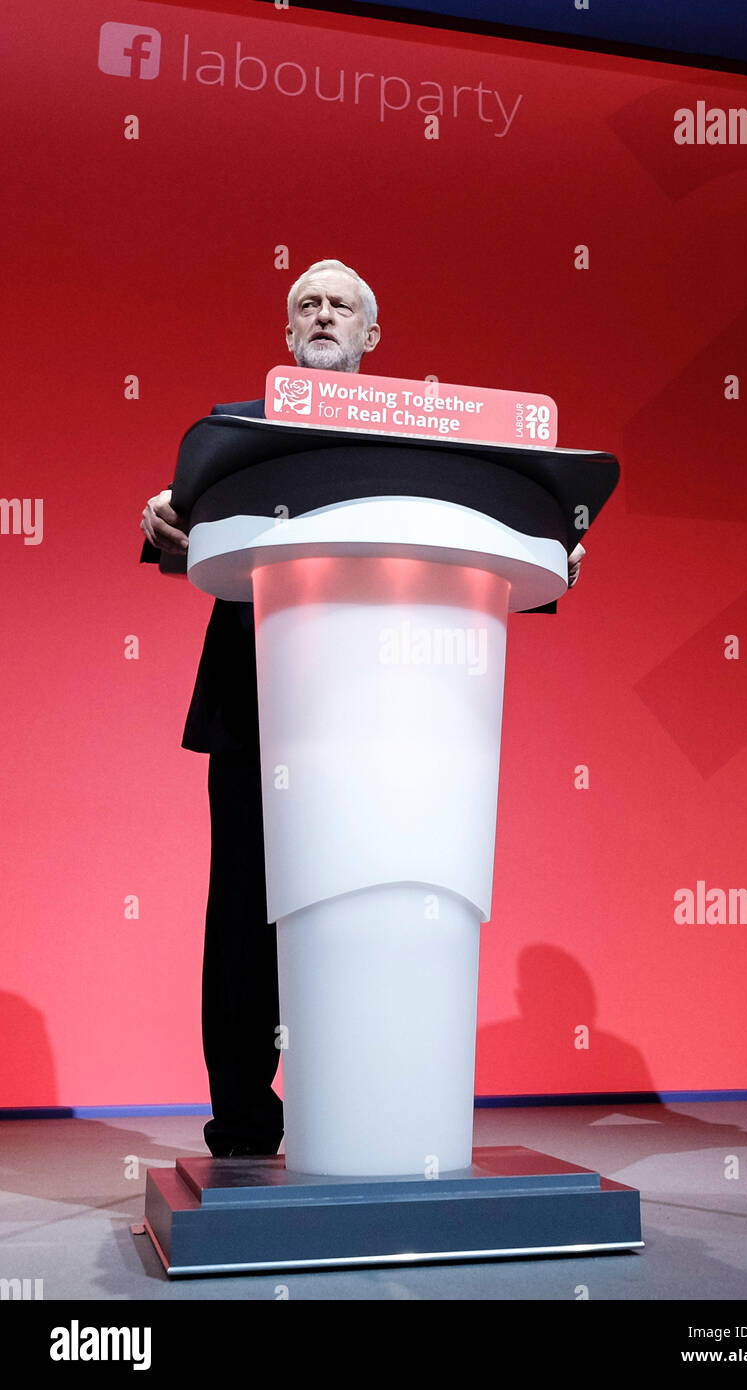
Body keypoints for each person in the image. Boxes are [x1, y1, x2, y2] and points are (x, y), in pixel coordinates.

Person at [140, 258, 584, 1157]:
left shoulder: (435, 444)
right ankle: (244, 1124)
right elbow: (184, 526)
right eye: (307, 304)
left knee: (379, 899)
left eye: (342, 305)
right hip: (262, 705)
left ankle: (366, 1111)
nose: (323, 314)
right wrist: (163, 519)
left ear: (373, 337)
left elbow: (495, 525)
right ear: (287, 333)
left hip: (403, 707)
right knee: (249, 910)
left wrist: (550, 543)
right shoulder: (236, 434)